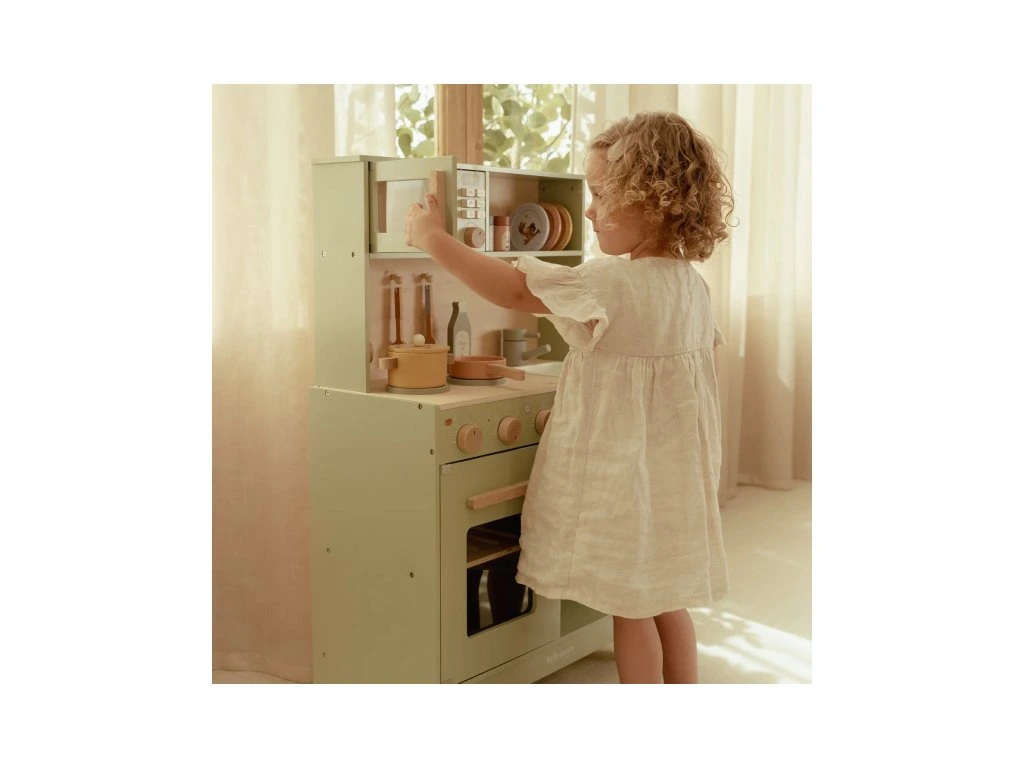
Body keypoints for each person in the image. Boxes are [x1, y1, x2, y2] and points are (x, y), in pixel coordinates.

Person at [405, 111, 734, 684]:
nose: (589, 210)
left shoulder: (609, 282)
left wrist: (434, 238)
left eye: (601, 195)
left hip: (622, 478)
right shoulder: (692, 286)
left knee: (630, 609)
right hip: (672, 478)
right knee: (667, 600)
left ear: (649, 200)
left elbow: (513, 289)